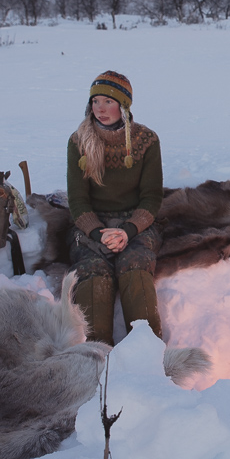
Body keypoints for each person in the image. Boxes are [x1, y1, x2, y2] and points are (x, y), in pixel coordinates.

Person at [67, 70, 164, 345]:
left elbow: (151, 197)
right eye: (95, 101)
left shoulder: (146, 141)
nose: (100, 109)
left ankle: (147, 353)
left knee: (135, 263)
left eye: (108, 101)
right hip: (90, 224)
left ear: (123, 106)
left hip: (136, 222)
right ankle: (94, 358)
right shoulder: (78, 142)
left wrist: (128, 231)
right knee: (92, 268)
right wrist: (98, 233)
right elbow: (78, 201)